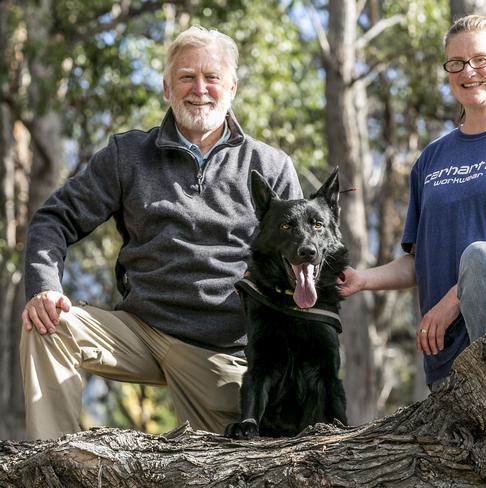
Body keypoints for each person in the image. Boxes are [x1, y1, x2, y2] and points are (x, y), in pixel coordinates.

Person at [20, 25, 302, 440]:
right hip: (141, 330)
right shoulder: (127, 155)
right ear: (167, 88)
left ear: (233, 88)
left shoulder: (272, 166)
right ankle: (49, 465)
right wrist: (44, 285)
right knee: (49, 325)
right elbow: (53, 219)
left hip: (221, 349)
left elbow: (303, 261)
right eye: (186, 77)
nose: (199, 88)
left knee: (242, 468)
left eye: (212, 78)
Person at [338, 15, 486, 391]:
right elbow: (420, 261)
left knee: (481, 257)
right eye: (456, 63)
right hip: (450, 346)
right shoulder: (431, 159)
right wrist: (362, 279)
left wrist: (452, 301)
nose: (468, 71)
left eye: (480, 59)